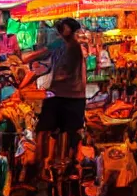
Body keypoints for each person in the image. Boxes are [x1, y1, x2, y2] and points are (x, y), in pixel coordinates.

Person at [20, 18, 88, 187]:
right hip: (66, 93)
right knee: (51, 130)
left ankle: (62, 162)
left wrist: (47, 86)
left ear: (69, 30)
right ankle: (48, 162)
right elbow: (45, 59)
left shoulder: (72, 47)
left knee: (45, 128)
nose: (59, 31)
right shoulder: (61, 44)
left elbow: (62, 70)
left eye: (62, 28)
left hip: (68, 94)